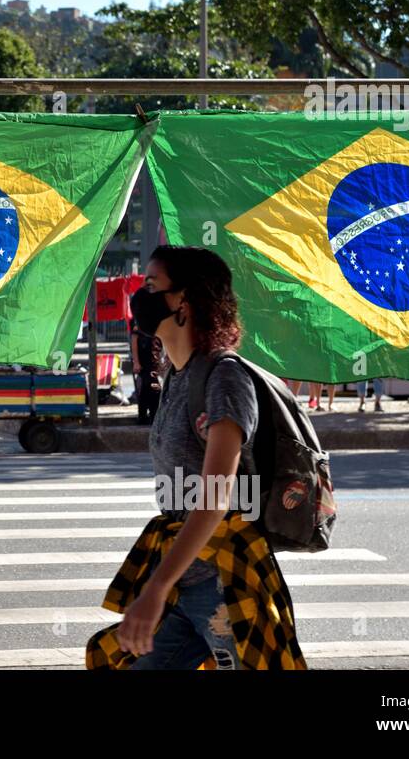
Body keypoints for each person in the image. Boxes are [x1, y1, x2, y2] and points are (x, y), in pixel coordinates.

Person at [86, 245, 305, 671]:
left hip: (226, 584)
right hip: (185, 585)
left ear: (182, 300)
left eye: (151, 285)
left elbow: (215, 499)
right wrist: (163, 585)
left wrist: (155, 588)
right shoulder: (178, 376)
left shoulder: (224, 379)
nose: (140, 296)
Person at [128, 287, 163, 425]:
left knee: (154, 388)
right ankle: (143, 416)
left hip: (155, 357)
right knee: (145, 388)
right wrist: (136, 361)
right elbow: (134, 341)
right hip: (144, 357)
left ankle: (153, 415)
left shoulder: (157, 317)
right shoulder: (138, 320)